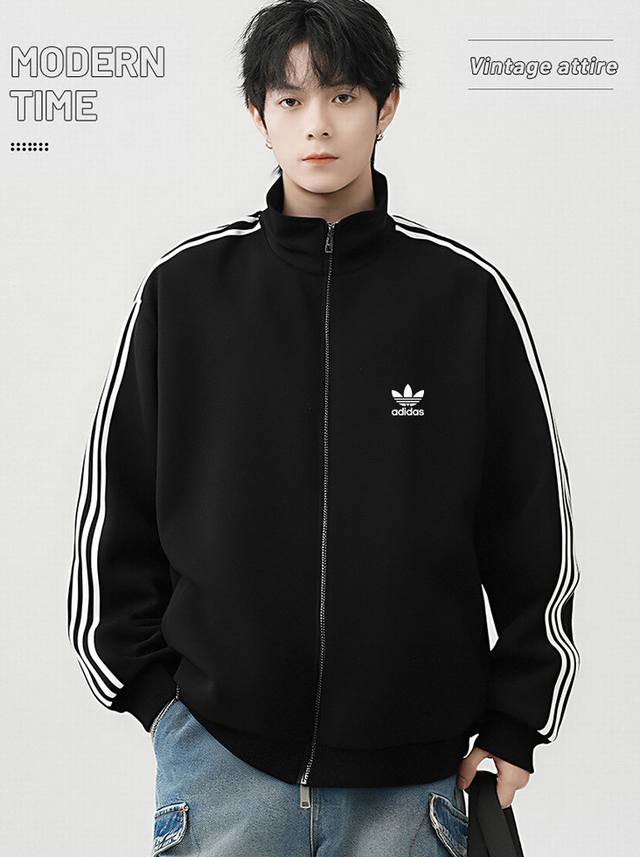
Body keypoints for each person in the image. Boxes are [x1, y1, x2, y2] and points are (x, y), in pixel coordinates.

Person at [66, 1, 581, 854]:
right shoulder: (184, 294)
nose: (317, 125)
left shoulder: (464, 299)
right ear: (257, 115)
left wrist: (518, 721)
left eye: (343, 96)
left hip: (412, 782)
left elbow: (532, 529)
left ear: (387, 107)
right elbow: (112, 522)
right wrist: (162, 708)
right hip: (221, 768)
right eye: (291, 99)